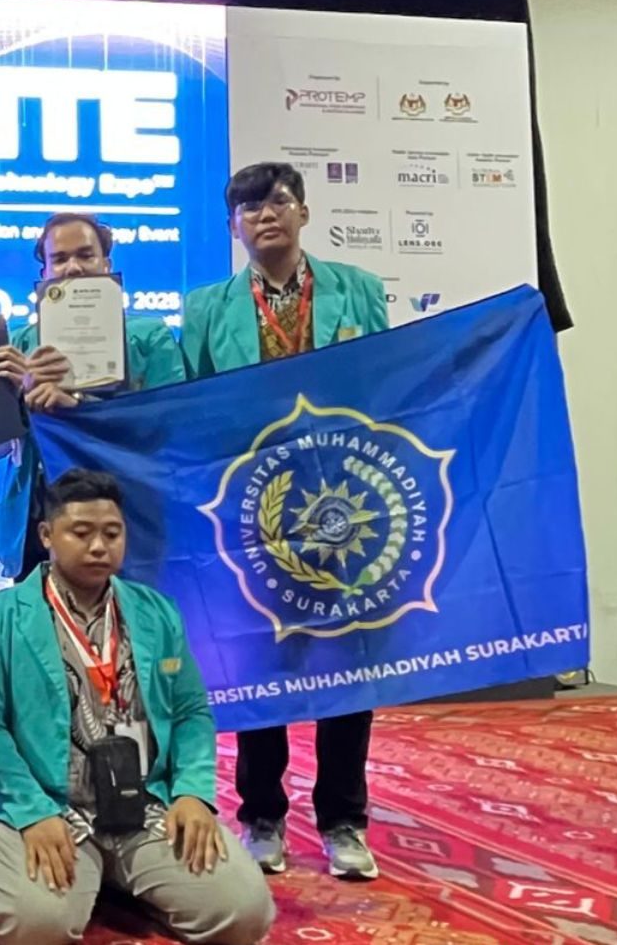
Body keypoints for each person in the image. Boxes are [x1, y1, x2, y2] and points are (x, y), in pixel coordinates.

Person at [180, 162, 390, 880]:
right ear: (233, 226)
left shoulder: (357, 290)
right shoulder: (206, 308)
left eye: (277, 202)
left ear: (304, 212)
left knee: (349, 665)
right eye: (249, 207)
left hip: (347, 508)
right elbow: (190, 405)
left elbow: (383, 384)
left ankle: (344, 820)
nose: (264, 215)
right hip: (252, 506)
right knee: (259, 662)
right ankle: (262, 815)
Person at [0, 470, 276, 945]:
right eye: (80, 533)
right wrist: (31, 812)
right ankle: (46, 867)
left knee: (244, 913)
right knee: (33, 928)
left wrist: (192, 793)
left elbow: (190, 711)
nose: (98, 547)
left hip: (145, 804)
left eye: (112, 533)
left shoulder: (156, 612)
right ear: (46, 535)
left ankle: (118, 880)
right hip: (49, 805)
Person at [0, 213, 188, 583]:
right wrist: (13, 400)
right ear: (45, 272)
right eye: (60, 259)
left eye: (85, 255)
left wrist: (77, 406)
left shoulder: (149, 336)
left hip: (125, 514)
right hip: (38, 517)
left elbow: (169, 426)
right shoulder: (19, 343)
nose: (73, 268)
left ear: (106, 264)